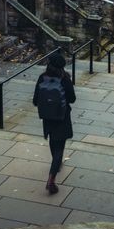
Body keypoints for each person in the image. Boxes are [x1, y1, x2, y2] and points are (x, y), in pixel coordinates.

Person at [33, 52, 75, 195]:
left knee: (52, 140)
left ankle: (56, 165)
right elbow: (73, 98)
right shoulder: (64, 79)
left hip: (47, 117)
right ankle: (51, 178)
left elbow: (35, 100)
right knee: (60, 147)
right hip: (62, 117)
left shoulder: (42, 78)